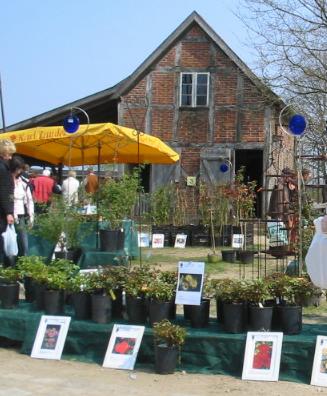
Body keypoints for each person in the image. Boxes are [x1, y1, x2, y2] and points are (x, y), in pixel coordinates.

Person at [7, 155, 34, 266]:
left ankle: (24, 268)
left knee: (24, 245)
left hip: (21, 216)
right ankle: (9, 268)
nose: (19, 171)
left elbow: (29, 200)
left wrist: (31, 216)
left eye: (20, 169)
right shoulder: (5, 180)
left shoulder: (24, 182)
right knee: (9, 245)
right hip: (7, 216)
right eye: (17, 168)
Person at [0, 139, 16, 265]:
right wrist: (9, 212)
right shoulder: (3, 168)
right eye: (9, 154)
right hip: (2, 212)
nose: (10, 157)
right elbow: (4, 191)